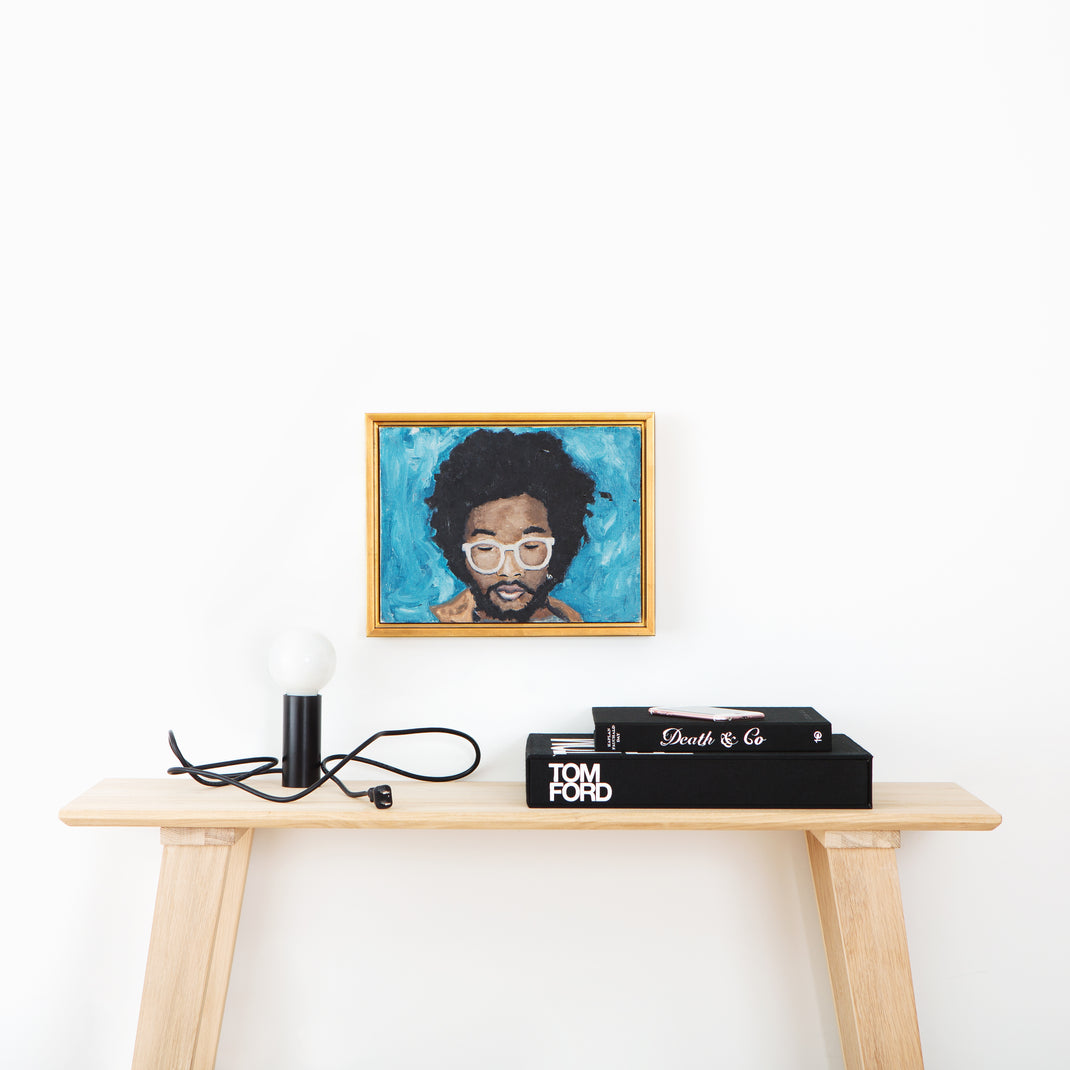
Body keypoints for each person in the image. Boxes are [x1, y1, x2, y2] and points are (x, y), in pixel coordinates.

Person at [425, 428, 596, 623]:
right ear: (460, 552)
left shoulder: (573, 624)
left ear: (558, 549)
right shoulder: (435, 626)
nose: (509, 571)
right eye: (486, 548)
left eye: (530, 546)